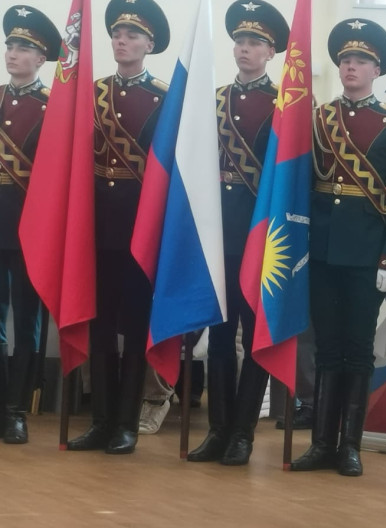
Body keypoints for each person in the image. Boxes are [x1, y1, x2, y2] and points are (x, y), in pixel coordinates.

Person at [291, 18, 386, 477]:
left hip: (367, 255)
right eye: (345, 59)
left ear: (376, 69)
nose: (350, 66)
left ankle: (350, 446)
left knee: (358, 349)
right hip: (322, 251)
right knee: (326, 347)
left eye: (360, 60)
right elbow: (303, 185)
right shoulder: (318, 118)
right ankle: (321, 442)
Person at [185, 0, 288, 466]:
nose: (245, 49)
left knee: (256, 335)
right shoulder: (214, 98)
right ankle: (218, 429)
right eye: (240, 41)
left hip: (261, 236)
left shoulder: (284, 105)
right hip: (218, 234)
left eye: (255, 43)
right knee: (220, 336)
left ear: (271, 52)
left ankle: (243, 432)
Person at [66, 0, 169, 456]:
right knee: (101, 327)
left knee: (136, 327)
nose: (121, 40)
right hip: (96, 227)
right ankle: (101, 421)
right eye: (117, 34)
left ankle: (127, 422)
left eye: (132, 35)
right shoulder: (91, 93)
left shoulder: (166, 98)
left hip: (141, 229)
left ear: (149, 44)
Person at [0, 4, 58, 445]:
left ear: (41, 58)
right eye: (10, 45)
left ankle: (17, 410)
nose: (12, 53)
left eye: (23, 47)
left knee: (27, 321)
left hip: (30, 231)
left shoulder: (54, 107)